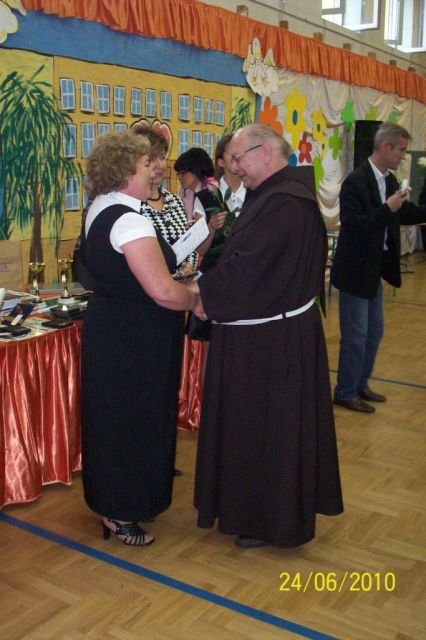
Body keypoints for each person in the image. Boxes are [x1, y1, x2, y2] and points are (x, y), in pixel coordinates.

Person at [189, 124, 343, 549]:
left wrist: (201, 296)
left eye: (238, 159)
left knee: (266, 433)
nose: (234, 169)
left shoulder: (284, 203)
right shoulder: (275, 195)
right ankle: (254, 511)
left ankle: (267, 518)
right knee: (260, 430)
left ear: (266, 151)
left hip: (271, 344)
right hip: (268, 334)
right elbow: (245, 263)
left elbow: (251, 270)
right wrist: (207, 291)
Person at [81, 130, 199, 546]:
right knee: (134, 421)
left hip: (117, 332)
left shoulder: (101, 207)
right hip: (135, 339)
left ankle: (120, 502)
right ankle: (121, 509)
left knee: (116, 419)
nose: (156, 171)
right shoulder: (129, 220)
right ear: (124, 170)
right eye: (147, 164)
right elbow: (163, 291)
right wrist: (196, 300)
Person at [331, 122, 426, 413]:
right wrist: (388, 209)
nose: (403, 156)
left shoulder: (390, 180)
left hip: (374, 271)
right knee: (356, 336)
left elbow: (405, 214)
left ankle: (360, 384)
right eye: (401, 150)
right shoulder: (355, 182)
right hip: (355, 271)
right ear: (385, 147)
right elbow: (354, 225)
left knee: (374, 333)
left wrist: (404, 210)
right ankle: (345, 392)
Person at [136, 123, 197, 476]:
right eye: (151, 159)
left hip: (175, 302)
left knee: (167, 384)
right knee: (145, 386)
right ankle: (145, 458)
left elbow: (187, 248)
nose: (159, 166)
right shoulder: (131, 206)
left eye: (162, 158)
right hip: (146, 307)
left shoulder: (174, 201)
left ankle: (162, 457)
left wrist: (204, 236)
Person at [187, 134, 249, 342]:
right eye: (233, 155)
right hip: (215, 279)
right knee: (214, 343)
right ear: (220, 161)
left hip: (246, 280)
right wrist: (211, 228)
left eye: (241, 155)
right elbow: (200, 250)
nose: (238, 160)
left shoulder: (255, 193)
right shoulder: (205, 197)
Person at [173, 147, 215, 220]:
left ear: (196, 171)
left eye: (182, 173)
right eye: (178, 174)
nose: (179, 177)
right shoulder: (184, 193)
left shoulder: (213, 193)